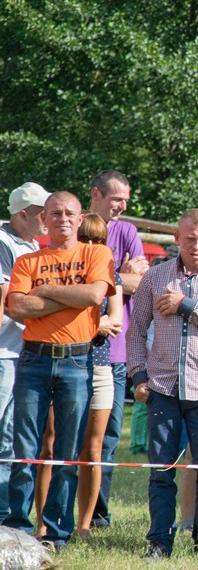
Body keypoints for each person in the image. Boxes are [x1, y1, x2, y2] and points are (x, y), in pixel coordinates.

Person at [3, 192, 116, 548]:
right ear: (44, 220)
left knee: (68, 452)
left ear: (80, 219)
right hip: (33, 360)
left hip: (77, 360)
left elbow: (95, 297)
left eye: (69, 213)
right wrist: (71, 295)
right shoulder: (27, 260)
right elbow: (18, 306)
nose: (62, 219)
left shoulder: (97, 253)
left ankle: (55, 532)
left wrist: (47, 290)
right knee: (25, 448)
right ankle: (16, 527)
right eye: (55, 213)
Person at [127, 209, 198, 560]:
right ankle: (159, 542)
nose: (196, 245)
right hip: (162, 387)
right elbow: (134, 332)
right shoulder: (156, 276)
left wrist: (187, 306)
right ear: (177, 238)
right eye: (189, 238)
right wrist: (138, 376)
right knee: (161, 472)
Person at [87, 169, 149, 530]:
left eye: (126, 199)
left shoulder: (127, 232)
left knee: (107, 440)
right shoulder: (79, 226)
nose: (123, 206)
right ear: (96, 194)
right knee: (69, 438)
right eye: (116, 198)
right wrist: (117, 275)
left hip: (114, 352)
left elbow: (142, 282)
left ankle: (98, 516)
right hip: (74, 345)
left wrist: (110, 278)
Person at [0, 182, 49, 522]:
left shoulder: (29, 243)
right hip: (4, 353)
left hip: (22, 353)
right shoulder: (3, 243)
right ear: (23, 214)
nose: (49, 218)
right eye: (42, 213)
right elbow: (8, 300)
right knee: (4, 438)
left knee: (14, 437)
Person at [74, 214, 124, 541]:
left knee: (94, 449)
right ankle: (51, 521)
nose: (92, 245)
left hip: (100, 364)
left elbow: (115, 321)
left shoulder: (110, 273)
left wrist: (76, 320)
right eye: (85, 238)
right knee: (58, 444)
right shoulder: (66, 271)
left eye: (98, 239)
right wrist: (96, 322)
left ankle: (85, 525)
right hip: (66, 362)